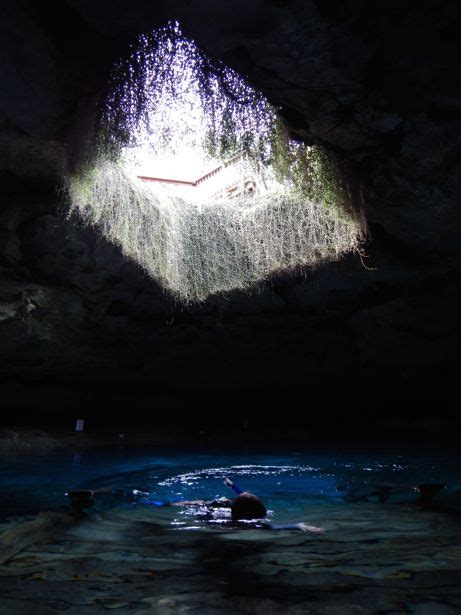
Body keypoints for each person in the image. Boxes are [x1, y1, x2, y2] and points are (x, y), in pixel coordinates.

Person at [165, 476, 325, 533]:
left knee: (200, 503)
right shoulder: (257, 515)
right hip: (235, 511)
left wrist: (213, 503)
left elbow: (271, 528)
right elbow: (272, 527)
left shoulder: (234, 519)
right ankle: (169, 505)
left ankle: (167, 505)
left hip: (209, 518)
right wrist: (296, 525)